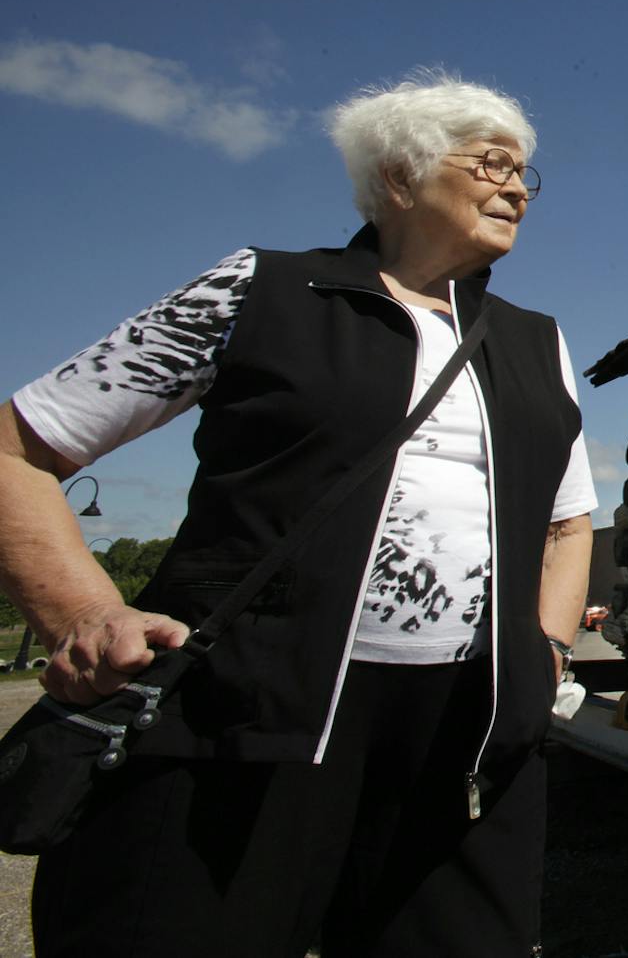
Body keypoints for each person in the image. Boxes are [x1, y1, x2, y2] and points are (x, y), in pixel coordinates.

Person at [0, 71, 597, 957]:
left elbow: (567, 522)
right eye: (491, 164)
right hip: (243, 715)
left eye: (526, 174)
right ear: (399, 177)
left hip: (464, 734)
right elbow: (21, 447)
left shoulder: (535, 340)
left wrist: (545, 652)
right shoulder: (259, 290)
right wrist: (87, 612)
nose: (517, 187)